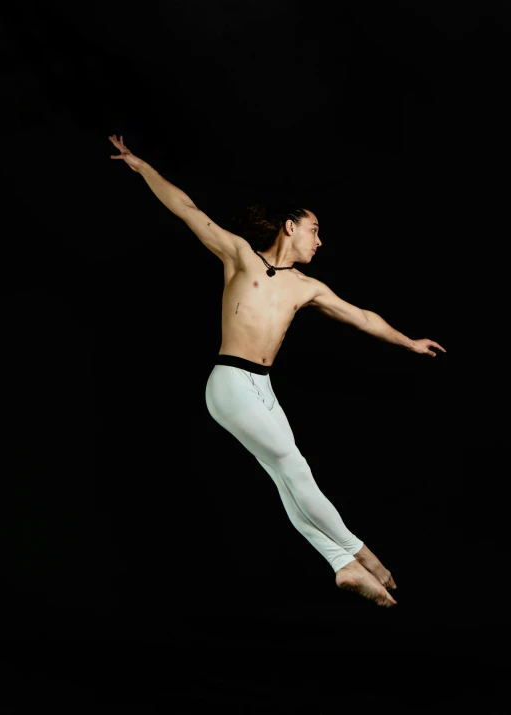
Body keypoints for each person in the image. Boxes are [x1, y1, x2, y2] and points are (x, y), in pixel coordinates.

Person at [109, 134, 446, 608]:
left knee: (284, 475)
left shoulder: (306, 287)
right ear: (290, 227)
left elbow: (362, 316)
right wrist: (141, 167)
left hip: (263, 389)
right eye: (314, 230)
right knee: (295, 467)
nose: (320, 240)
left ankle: (341, 565)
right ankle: (361, 553)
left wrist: (408, 341)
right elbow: (186, 208)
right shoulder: (240, 257)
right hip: (229, 382)